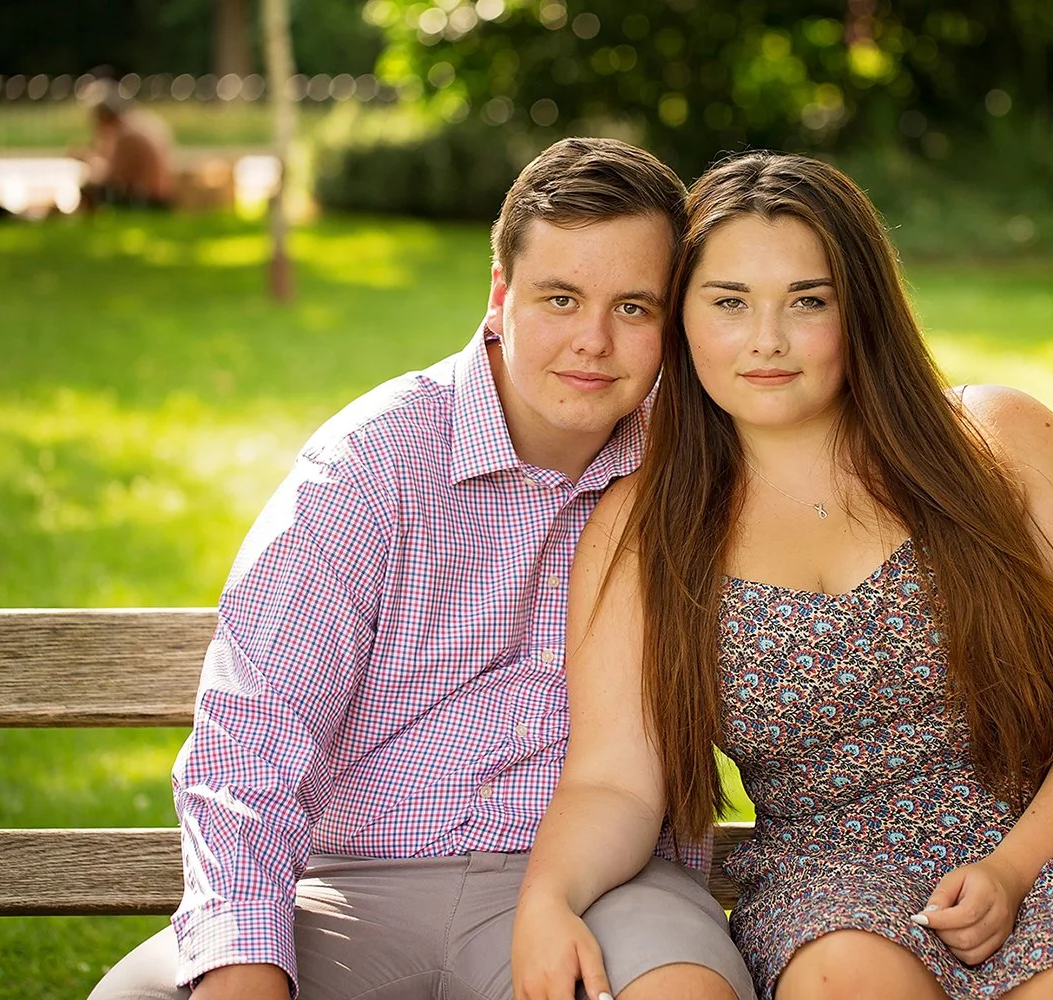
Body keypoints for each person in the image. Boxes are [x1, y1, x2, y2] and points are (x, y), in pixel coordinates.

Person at [512, 151, 1053, 1000]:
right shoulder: (645, 529)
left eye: (808, 301)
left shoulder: (998, 444)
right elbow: (614, 777)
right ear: (682, 319)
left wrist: (1013, 867)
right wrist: (550, 898)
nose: (766, 339)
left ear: (861, 310)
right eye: (729, 303)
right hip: (835, 874)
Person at [88, 137, 754, 1000]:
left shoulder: (696, 465)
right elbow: (247, 749)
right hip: (348, 889)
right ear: (500, 295)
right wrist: (243, 965)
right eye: (560, 298)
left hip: (602, 885)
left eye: (634, 307)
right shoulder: (370, 467)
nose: (593, 341)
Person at [71, 87, 176, 212]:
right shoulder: (139, 123)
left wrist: (87, 160)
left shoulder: (125, 135)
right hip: (164, 195)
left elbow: (111, 176)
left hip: (149, 199)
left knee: (89, 189)